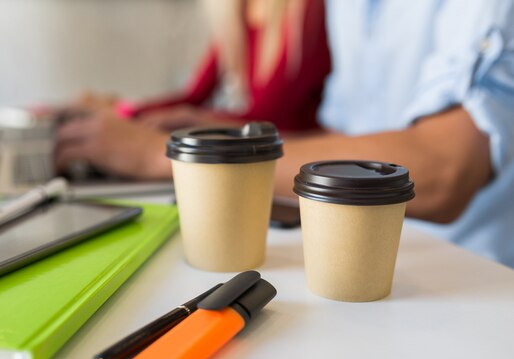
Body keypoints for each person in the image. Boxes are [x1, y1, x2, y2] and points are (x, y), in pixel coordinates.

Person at [55, 0, 514, 268]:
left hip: (471, 279)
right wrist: (233, 137)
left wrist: (184, 154)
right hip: (355, 260)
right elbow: (345, 136)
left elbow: (444, 171)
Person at [54, 0, 330, 175]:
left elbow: (268, 119)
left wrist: (201, 121)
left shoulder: (306, 10)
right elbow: (193, 97)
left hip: (295, 160)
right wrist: (122, 110)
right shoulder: (236, 11)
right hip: (253, 155)